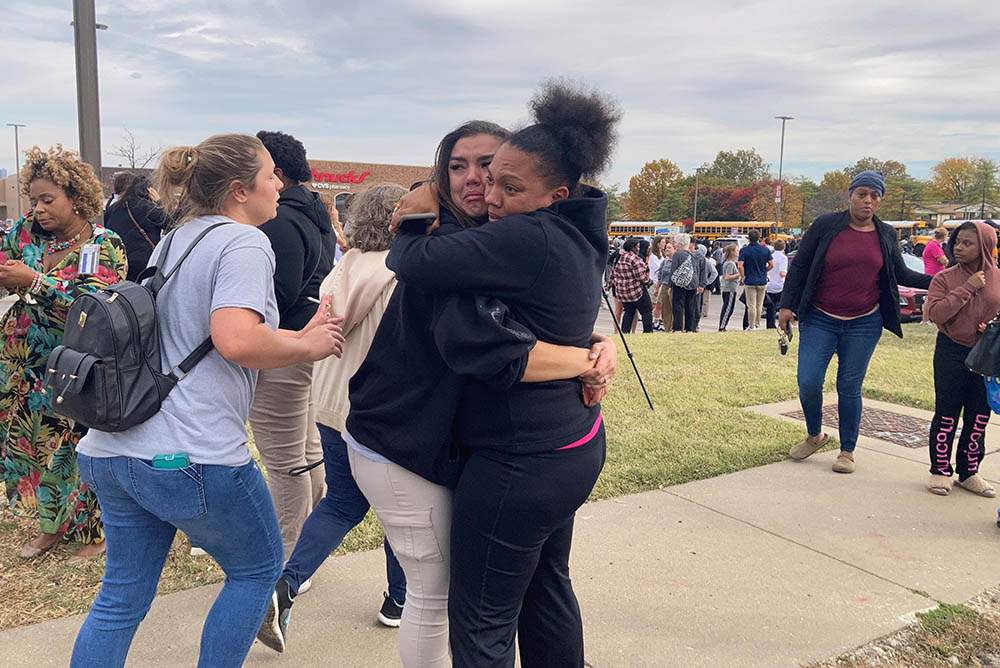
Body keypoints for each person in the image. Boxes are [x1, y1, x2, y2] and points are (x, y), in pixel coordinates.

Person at [341, 119, 617, 668]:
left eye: (494, 171)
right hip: (409, 441)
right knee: (501, 589)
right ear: (439, 176)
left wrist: (588, 344)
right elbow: (498, 347)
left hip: (514, 457)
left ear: (546, 187)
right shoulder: (522, 237)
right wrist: (585, 355)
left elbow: (505, 344)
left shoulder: (492, 244)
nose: (480, 184)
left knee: (483, 615)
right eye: (457, 167)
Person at [70, 134, 345, 668]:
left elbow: (199, 329)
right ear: (240, 190)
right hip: (190, 455)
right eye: (270, 176)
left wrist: (293, 333)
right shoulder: (244, 242)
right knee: (257, 572)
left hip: (114, 449)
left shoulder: (179, 237)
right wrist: (306, 345)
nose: (279, 184)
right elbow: (236, 340)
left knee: (121, 595)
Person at [257, 184, 409, 655]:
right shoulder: (402, 272)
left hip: (328, 400)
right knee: (399, 511)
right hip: (380, 407)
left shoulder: (343, 267)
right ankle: (400, 600)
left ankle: (286, 585)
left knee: (343, 502)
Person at [0, 146, 127, 566]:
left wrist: (34, 281)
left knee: (80, 446)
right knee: (38, 446)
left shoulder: (103, 243)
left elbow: (96, 300)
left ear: (77, 197)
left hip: (77, 363)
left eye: (47, 200)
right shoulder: (24, 234)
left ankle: (97, 531)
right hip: (26, 359)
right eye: (33, 199)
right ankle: (50, 527)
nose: (38, 209)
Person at [781, 170, 931, 474]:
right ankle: (815, 435)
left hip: (864, 322)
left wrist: (942, 280)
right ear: (850, 195)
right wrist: (786, 306)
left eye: (874, 196)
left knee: (849, 386)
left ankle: (847, 450)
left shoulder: (886, 233)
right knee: (808, 381)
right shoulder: (826, 226)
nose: (868, 200)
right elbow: (800, 267)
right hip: (820, 318)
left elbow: (901, 274)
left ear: (880, 200)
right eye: (862, 194)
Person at [249, 130, 337, 558]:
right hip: (305, 343)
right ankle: (306, 537)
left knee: (285, 458)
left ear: (278, 172)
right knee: (304, 450)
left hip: (285, 347)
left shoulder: (281, 220)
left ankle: (286, 555)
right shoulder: (316, 210)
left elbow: (275, 295)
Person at [924, 221, 1000, 497]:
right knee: (947, 413)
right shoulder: (944, 278)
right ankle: (940, 471)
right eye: (957, 242)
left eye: (967, 243)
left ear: (985, 247)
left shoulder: (998, 278)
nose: (959, 248)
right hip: (951, 351)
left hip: (987, 354)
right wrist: (968, 287)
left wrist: (992, 327)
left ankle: (969, 471)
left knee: (979, 415)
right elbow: (937, 314)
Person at [104, 174, 168, 282]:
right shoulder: (146, 207)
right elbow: (169, 221)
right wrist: (159, 202)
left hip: (119, 262)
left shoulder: (113, 208)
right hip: (144, 264)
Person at [612, 237, 654, 333]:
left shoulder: (619, 258)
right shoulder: (635, 259)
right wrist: (649, 281)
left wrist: (609, 285)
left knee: (628, 312)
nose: (639, 249)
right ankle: (648, 332)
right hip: (636, 290)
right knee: (647, 311)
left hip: (623, 292)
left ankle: (625, 332)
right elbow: (640, 277)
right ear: (633, 248)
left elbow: (613, 274)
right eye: (637, 247)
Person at [663, 233, 701, 332]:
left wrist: (670, 286)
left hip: (680, 283)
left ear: (680, 243)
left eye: (675, 242)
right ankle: (690, 328)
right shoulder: (693, 254)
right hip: (692, 283)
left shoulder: (677, 254)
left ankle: (678, 327)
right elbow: (697, 269)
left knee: (678, 306)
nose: (674, 244)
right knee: (690, 307)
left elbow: (673, 269)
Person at [738, 229, 773, 330]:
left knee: (751, 305)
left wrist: (743, 276)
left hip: (750, 280)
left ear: (748, 238)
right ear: (759, 238)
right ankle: (757, 324)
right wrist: (765, 271)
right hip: (762, 279)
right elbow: (771, 264)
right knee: (759, 304)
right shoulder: (765, 250)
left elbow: (740, 266)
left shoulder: (744, 250)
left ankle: (751, 325)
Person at [763, 238, 788, 329]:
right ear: (784, 247)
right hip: (780, 285)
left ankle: (770, 325)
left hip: (769, 285)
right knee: (783, 307)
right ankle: (783, 324)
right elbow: (782, 273)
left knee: (771, 307)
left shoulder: (771, 256)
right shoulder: (783, 258)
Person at [718, 244, 740, 331]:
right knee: (728, 308)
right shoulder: (730, 264)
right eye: (737, 250)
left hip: (730, 288)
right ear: (732, 252)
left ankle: (723, 325)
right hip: (729, 288)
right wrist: (739, 274)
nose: (738, 252)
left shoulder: (729, 263)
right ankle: (722, 326)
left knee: (728, 307)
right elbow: (727, 277)